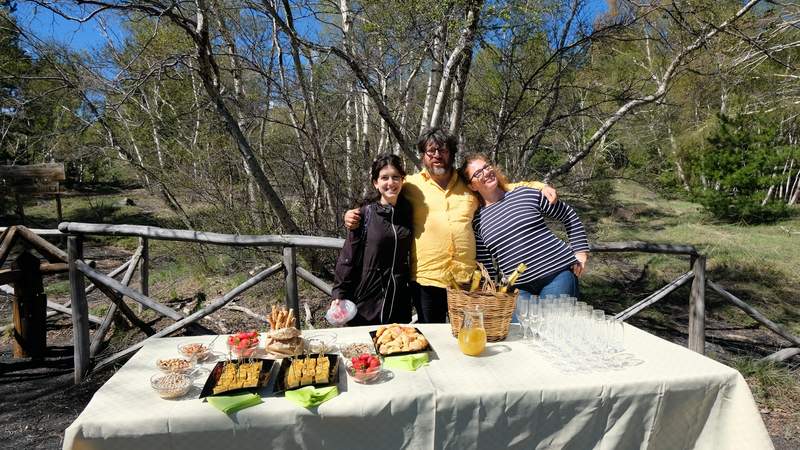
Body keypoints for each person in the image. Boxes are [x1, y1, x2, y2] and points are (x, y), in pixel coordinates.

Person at [344, 128, 557, 323]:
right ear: (423, 156)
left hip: (467, 280)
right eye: (431, 151)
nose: (437, 155)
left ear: (451, 153)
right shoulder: (411, 185)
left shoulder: (468, 184)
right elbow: (382, 195)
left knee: (470, 335)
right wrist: (353, 214)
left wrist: (538, 185)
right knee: (434, 341)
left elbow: (502, 187)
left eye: (443, 150)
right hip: (427, 279)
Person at [459, 153, 590, 298]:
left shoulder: (524, 194)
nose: (486, 172)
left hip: (557, 273)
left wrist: (581, 252)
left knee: (551, 319)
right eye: (478, 173)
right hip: (517, 287)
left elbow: (568, 215)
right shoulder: (477, 220)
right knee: (517, 321)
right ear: (472, 185)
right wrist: (491, 290)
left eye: (487, 167)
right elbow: (486, 263)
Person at [331, 154, 413, 325]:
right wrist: (339, 292)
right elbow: (348, 255)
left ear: (402, 180)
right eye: (384, 178)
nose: (391, 183)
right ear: (375, 183)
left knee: (397, 347)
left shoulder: (408, 213)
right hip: (366, 302)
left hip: (398, 303)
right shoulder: (364, 214)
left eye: (396, 177)